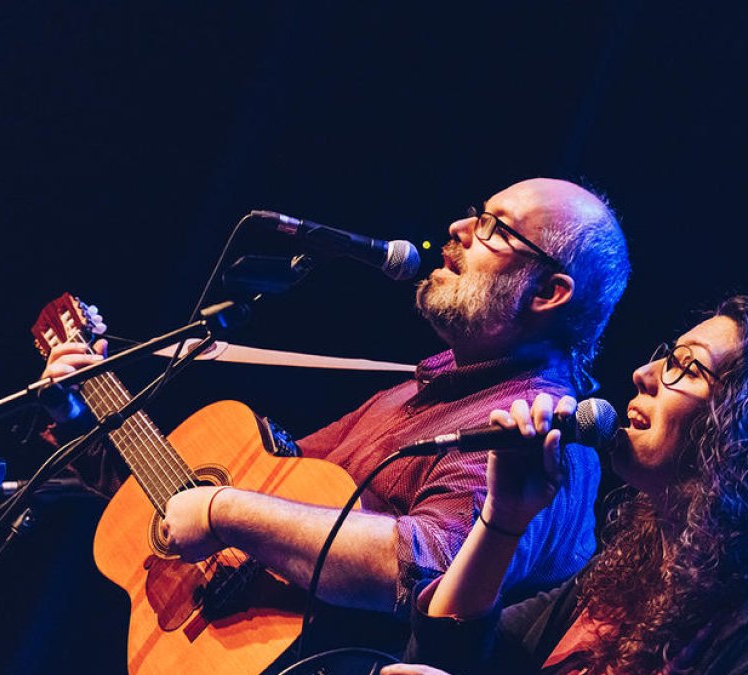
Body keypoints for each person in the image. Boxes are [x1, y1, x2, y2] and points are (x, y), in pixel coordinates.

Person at [40, 179, 631, 637]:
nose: (458, 228)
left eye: (494, 227)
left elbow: (425, 570)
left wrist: (224, 510)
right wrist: (85, 420)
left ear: (549, 292)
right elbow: (231, 508)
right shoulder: (414, 392)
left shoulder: (532, 431)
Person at [382, 296, 748, 674]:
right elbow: (446, 655)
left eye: (686, 366)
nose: (644, 374)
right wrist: (502, 519)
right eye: (665, 357)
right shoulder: (630, 579)